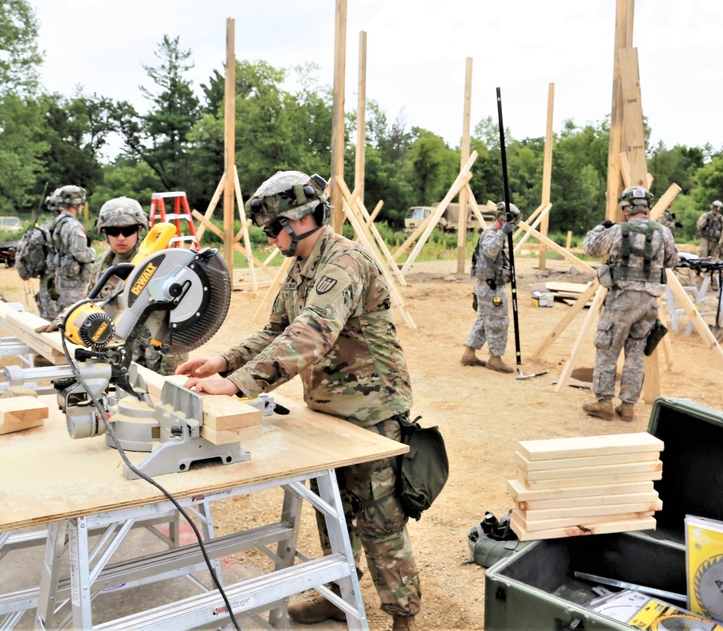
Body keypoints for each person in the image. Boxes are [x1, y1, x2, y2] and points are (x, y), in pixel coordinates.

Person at [175, 170, 421, 630]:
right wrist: (223, 362)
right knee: (332, 510)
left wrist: (238, 385)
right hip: (331, 409)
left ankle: (401, 619)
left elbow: (313, 333)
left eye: (273, 229)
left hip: (372, 411)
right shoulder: (303, 265)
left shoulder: (343, 261)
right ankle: (337, 596)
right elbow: (276, 329)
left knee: (380, 520)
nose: (269, 239)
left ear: (302, 219)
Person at [581, 188, 678, 422]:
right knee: (635, 353)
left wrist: (599, 228)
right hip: (649, 303)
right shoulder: (663, 232)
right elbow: (672, 260)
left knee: (608, 348)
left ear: (628, 208)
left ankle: (604, 402)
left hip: (622, 301)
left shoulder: (617, 231)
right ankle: (627, 406)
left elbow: (590, 248)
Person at [87, 197, 187, 375]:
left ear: (140, 230)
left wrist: (170, 371)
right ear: (104, 232)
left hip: (153, 361)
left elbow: (179, 320)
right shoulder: (100, 266)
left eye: (128, 230)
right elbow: (89, 307)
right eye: (113, 231)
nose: (121, 237)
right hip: (114, 358)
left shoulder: (161, 263)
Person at [462, 201, 521, 373]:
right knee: (498, 321)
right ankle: (495, 359)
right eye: (511, 224)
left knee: (483, 320)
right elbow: (489, 251)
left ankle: (469, 353)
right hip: (491, 288)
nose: (513, 227)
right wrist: (502, 234)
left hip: (488, 285)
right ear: (503, 220)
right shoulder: (490, 234)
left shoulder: (494, 234)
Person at [49, 185, 96, 313]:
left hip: (61, 274)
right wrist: (93, 254)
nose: (82, 207)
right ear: (75, 205)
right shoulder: (74, 226)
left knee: (63, 311)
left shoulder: (57, 223)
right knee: (75, 312)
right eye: (81, 204)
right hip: (73, 281)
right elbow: (79, 253)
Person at [35, 191, 62, 321]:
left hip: (45, 281)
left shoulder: (44, 227)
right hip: (58, 281)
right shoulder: (63, 227)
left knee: (46, 318)